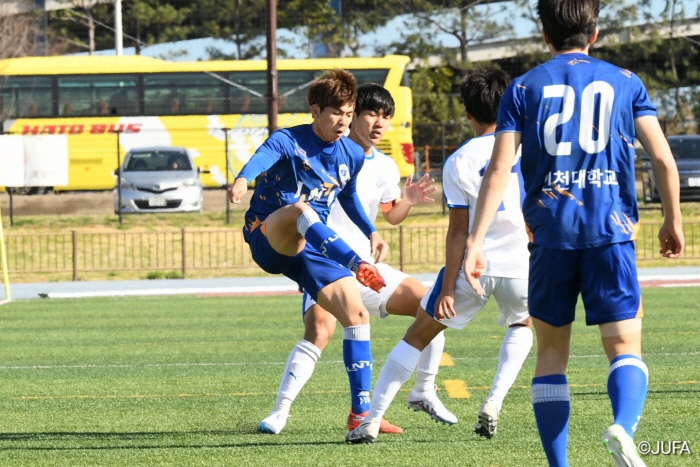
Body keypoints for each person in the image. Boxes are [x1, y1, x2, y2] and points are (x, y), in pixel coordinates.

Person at [462, 1, 684, 466]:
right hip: (611, 232)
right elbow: (663, 159)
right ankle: (622, 428)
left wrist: (474, 241)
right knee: (624, 346)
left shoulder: (523, 88)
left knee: (550, 354)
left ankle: (559, 465)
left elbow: (499, 168)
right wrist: (672, 219)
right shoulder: (627, 82)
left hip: (549, 236)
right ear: (595, 31)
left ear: (544, 34)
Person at [346, 67, 533, 444]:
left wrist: (448, 287)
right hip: (521, 263)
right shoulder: (529, 148)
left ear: (467, 113)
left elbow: (458, 231)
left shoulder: (459, 161)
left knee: (418, 335)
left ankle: (370, 420)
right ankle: (493, 401)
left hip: (472, 265)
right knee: (521, 325)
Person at [258, 83, 456, 436]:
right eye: (371, 114)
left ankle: (423, 390)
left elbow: (389, 216)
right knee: (320, 330)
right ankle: (279, 412)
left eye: (386, 117)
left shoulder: (384, 166)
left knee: (431, 306)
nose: (379, 123)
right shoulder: (322, 154)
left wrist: (406, 201)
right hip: (326, 264)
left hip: (366, 266)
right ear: (350, 116)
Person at [228, 69, 390, 438]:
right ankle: (355, 262)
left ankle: (360, 415)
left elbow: (346, 197)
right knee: (302, 211)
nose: (343, 121)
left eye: (349, 113)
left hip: (312, 248)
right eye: (336, 113)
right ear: (315, 110)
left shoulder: (352, 152)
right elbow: (261, 157)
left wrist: (372, 230)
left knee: (357, 315)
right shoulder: (289, 139)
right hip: (269, 236)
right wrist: (241, 178)